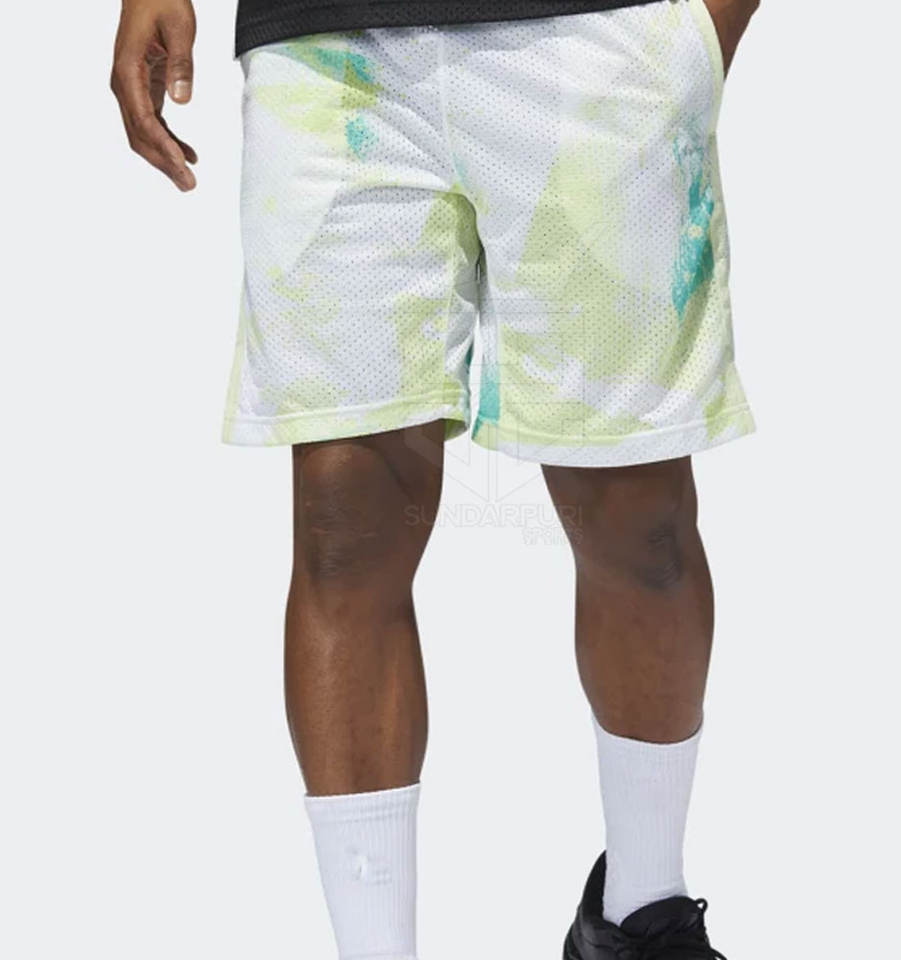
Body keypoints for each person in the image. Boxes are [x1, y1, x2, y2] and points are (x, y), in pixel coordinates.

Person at [111, 0, 760, 956]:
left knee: (637, 514)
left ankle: (641, 918)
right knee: (343, 520)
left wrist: (699, 34)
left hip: (600, 33)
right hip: (325, 46)